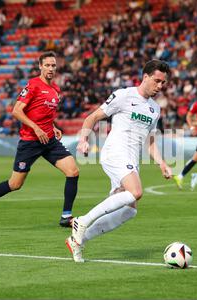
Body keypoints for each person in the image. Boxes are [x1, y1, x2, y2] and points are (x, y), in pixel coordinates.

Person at [67, 59, 173, 263]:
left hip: (131, 159)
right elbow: (92, 117)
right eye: (157, 81)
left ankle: (78, 240)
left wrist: (162, 162)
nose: (160, 86)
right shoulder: (124, 95)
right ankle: (82, 221)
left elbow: (150, 142)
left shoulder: (154, 109)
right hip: (115, 152)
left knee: (128, 210)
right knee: (136, 192)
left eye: (163, 83)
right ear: (145, 77)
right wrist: (83, 140)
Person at [0, 51, 80, 228]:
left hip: (49, 141)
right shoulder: (33, 85)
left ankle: (66, 216)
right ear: (40, 66)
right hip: (30, 142)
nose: (51, 68)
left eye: (53, 65)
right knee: (15, 184)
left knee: (73, 171)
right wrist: (36, 128)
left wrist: (53, 127)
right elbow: (16, 110)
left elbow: (44, 114)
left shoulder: (56, 90)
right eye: (47, 65)